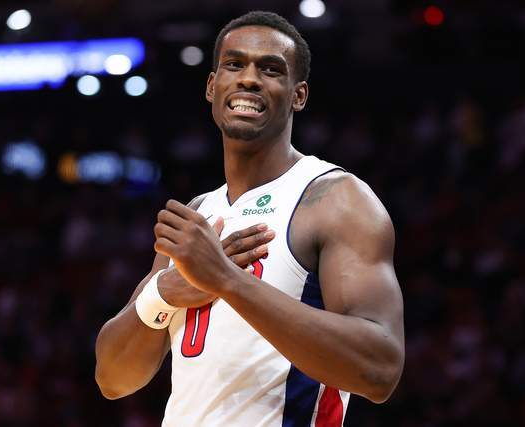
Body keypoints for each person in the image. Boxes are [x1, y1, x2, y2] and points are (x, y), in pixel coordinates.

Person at [95, 11, 404, 426]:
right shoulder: (199, 212)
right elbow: (112, 379)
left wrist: (226, 279)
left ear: (298, 95)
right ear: (212, 86)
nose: (249, 79)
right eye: (234, 64)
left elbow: (380, 370)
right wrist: (163, 293)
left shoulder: (335, 198)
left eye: (270, 69)